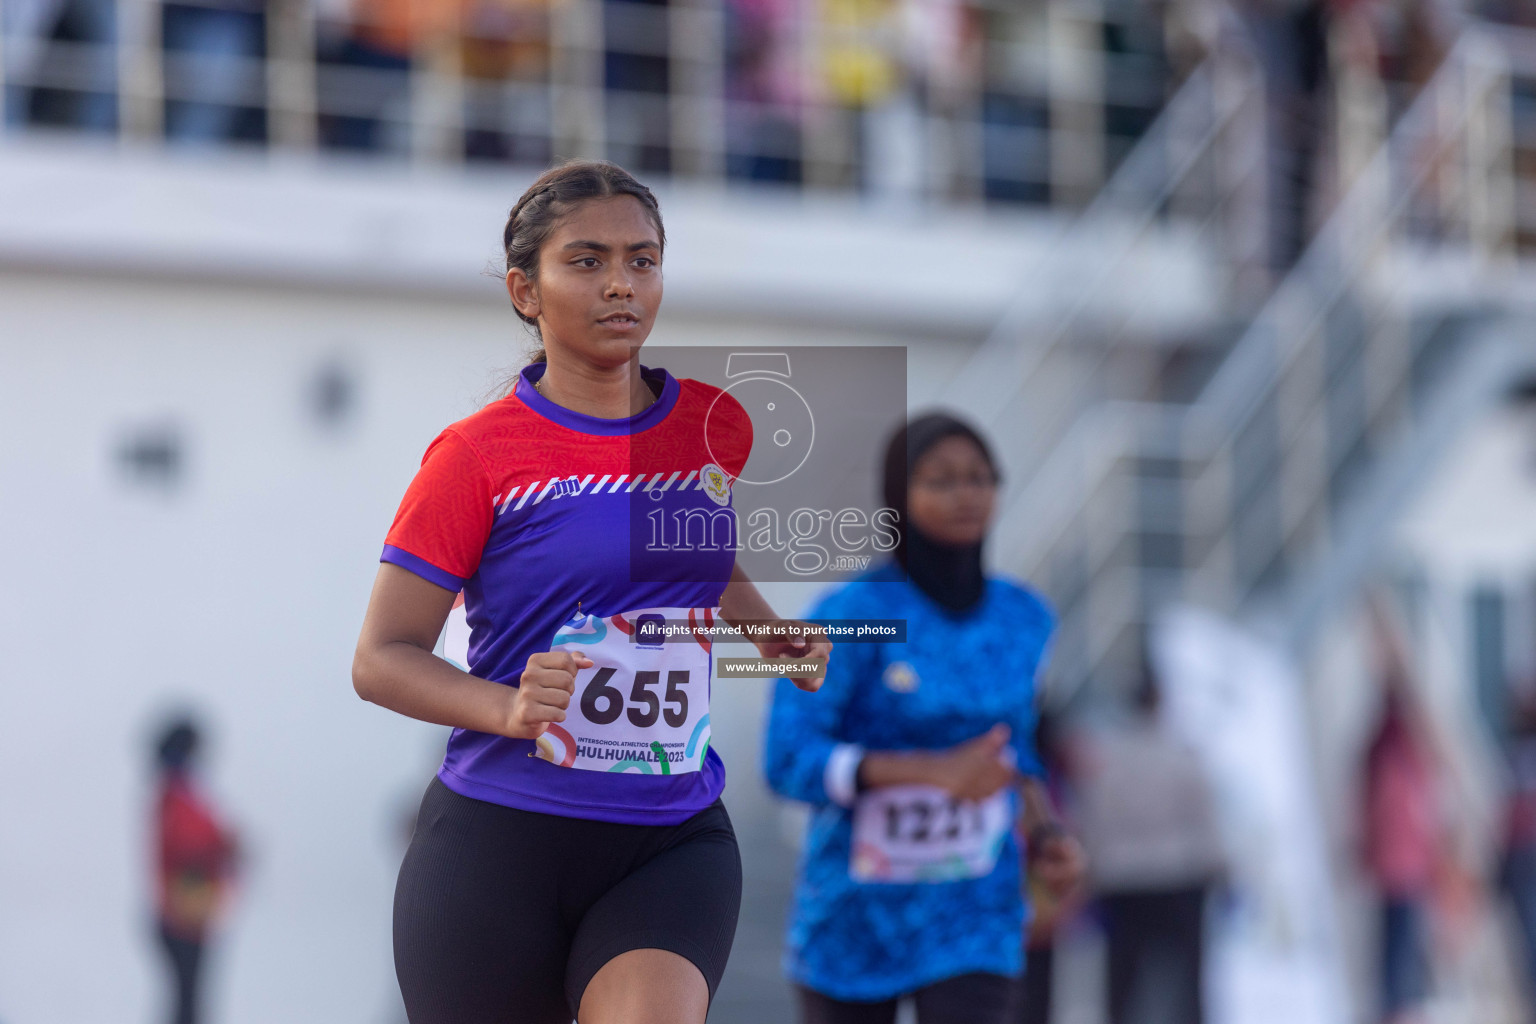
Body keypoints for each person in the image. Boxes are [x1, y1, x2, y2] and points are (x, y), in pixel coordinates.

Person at [352, 159, 832, 1024]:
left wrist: (768, 633)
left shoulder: (716, 426)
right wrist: (506, 708)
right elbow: (380, 660)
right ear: (524, 290)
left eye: (643, 261)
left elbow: (689, 554)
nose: (622, 284)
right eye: (587, 261)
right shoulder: (477, 457)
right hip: (500, 840)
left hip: (669, 833)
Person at [763, 412, 1084, 1024]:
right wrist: (929, 772)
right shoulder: (853, 613)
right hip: (855, 917)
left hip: (975, 913)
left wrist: (1048, 835)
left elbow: (1015, 748)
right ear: (897, 496)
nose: (966, 495)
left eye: (981, 478)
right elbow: (787, 759)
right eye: (940, 481)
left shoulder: (1025, 617)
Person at [1073, 666, 1225, 1024]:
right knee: (1188, 981)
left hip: (1124, 881)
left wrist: (1092, 870)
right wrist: (1220, 865)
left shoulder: (1108, 758)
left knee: (1123, 982)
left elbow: (1094, 818)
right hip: (1180, 876)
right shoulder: (1180, 754)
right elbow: (1204, 818)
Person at [151, 716, 240, 1024]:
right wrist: (226, 843)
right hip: (181, 916)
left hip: (188, 914)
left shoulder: (175, 792)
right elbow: (190, 842)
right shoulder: (175, 794)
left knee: (187, 1002)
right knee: (187, 1005)